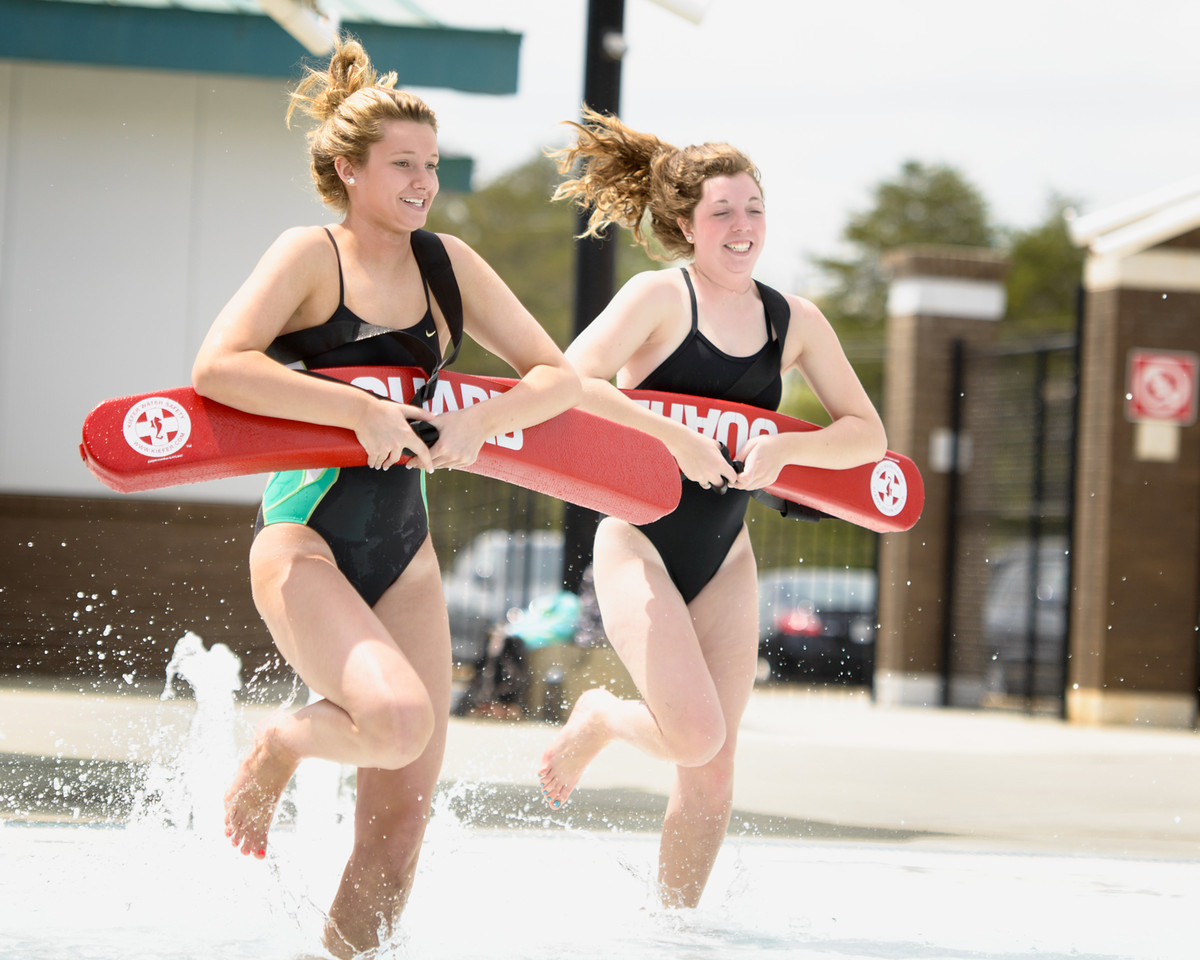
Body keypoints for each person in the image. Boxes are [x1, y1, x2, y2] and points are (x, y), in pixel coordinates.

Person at [191, 37, 580, 958]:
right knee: (397, 723)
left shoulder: (448, 265)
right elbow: (217, 366)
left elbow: (555, 376)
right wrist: (351, 405)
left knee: (400, 833)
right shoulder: (309, 255)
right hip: (304, 538)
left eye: (432, 165)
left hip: (406, 552)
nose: (423, 182)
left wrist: (484, 425)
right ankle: (282, 746)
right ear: (346, 169)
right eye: (403, 164)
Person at [536, 109, 887, 909]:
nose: (742, 226)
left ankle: (674, 937)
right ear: (687, 225)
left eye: (754, 208)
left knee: (712, 775)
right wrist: (673, 432)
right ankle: (600, 716)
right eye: (723, 211)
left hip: (726, 556)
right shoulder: (659, 297)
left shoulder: (793, 320)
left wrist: (787, 451)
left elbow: (868, 435)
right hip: (639, 541)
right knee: (693, 733)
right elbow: (568, 382)